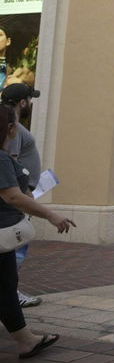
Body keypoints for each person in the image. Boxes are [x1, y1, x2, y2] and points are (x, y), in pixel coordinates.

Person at [0, 102, 74, 359]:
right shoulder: (0, 159)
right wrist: (52, 215)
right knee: (6, 287)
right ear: (9, 128)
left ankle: (26, 340)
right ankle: (26, 341)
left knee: (6, 287)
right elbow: (12, 197)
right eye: (16, 123)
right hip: (2, 234)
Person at [0, 83, 44, 308]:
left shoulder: (12, 124)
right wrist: (25, 195)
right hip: (17, 197)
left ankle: (9, 291)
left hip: (19, 194)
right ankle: (11, 292)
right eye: (30, 99)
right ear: (23, 102)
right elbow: (12, 161)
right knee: (15, 243)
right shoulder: (12, 126)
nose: (32, 103)